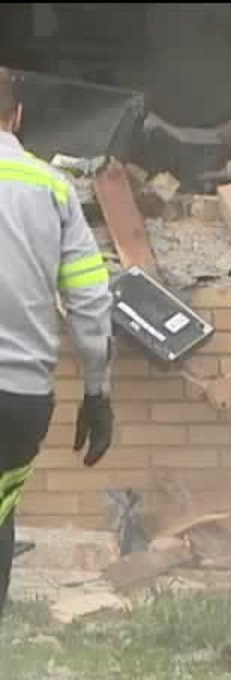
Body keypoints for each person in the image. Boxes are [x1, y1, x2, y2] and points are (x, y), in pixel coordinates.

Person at [0, 66, 115, 625]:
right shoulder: (53, 188)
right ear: (17, 117)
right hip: (21, 401)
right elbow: (91, 300)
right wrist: (97, 393)